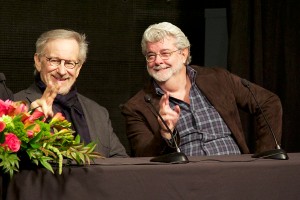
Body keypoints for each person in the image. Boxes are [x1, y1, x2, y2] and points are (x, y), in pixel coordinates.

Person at [121, 22, 282, 157]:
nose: (157, 61)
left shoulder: (218, 79)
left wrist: (264, 157)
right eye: (151, 55)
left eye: (165, 53)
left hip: (236, 174)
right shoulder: (136, 107)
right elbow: (142, 156)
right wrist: (165, 134)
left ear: (184, 54)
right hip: (185, 183)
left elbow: (268, 102)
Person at [14, 29, 128, 158]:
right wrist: (33, 119)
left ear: (78, 68)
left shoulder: (98, 113)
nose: (62, 71)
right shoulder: (14, 106)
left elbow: (120, 162)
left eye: (69, 63)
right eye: (54, 61)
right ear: (38, 61)